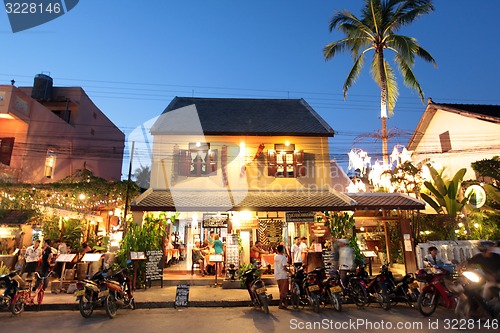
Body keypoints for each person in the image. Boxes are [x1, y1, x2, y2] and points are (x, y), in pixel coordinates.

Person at [274, 244, 289, 309]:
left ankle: (285, 303)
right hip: (283, 275)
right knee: (284, 291)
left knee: (281, 290)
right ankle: (280, 304)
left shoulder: (275, 257)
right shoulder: (283, 257)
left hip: (277, 274)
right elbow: (284, 267)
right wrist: (290, 272)